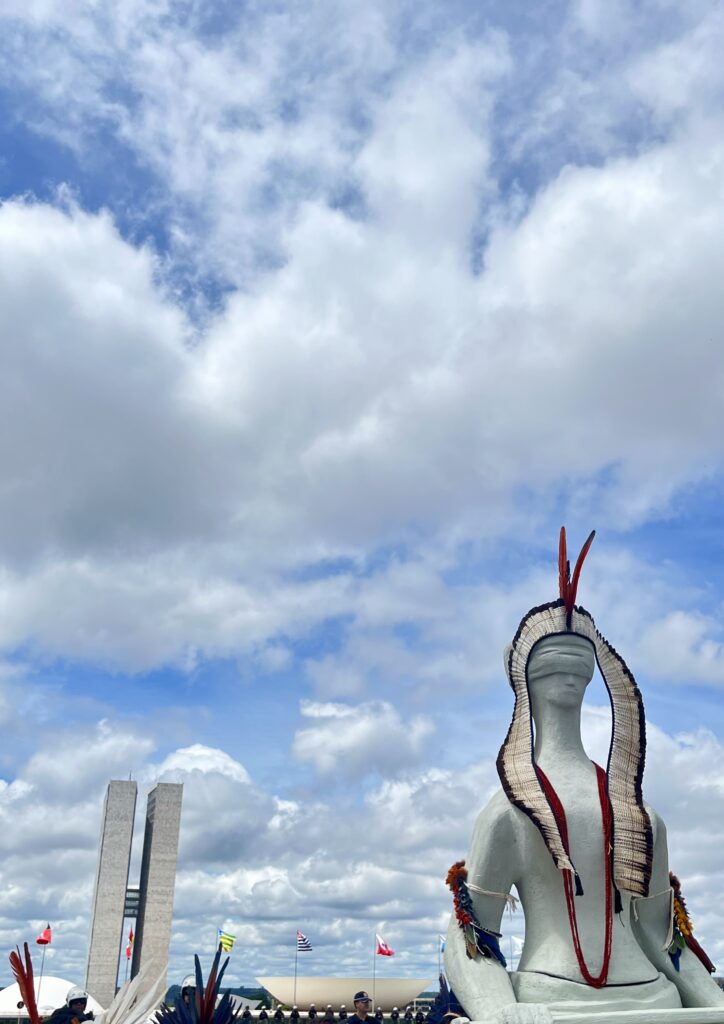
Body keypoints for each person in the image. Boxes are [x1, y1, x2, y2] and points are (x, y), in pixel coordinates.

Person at [444, 529, 724, 1023]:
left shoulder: (643, 818)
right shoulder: (508, 815)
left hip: (654, 1000)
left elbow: (663, 937)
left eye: (578, 662)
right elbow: (471, 936)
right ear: (523, 675)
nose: (569, 673)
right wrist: (498, 1007)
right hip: (550, 998)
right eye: (554, 663)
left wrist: (715, 1004)